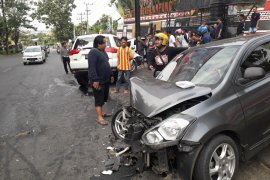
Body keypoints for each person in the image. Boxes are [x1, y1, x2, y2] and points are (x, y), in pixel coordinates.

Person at [88, 35, 114, 125]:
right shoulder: (93, 52)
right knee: (99, 99)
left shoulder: (103, 52)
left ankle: (102, 113)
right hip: (98, 81)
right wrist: (95, 80)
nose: (106, 44)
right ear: (99, 44)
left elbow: (107, 65)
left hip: (105, 80)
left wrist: (111, 75)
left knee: (103, 98)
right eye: (104, 42)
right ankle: (99, 118)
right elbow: (92, 67)